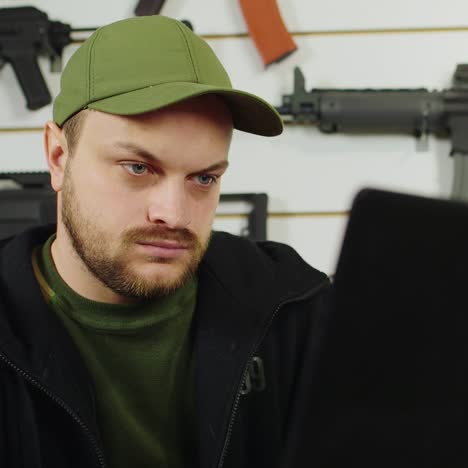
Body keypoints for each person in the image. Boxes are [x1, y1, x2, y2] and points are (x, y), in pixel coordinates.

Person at [0, 14, 330, 468]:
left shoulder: (293, 311)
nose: (173, 214)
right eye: (138, 168)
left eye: (203, 177)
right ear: (59, 158)